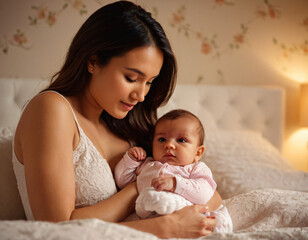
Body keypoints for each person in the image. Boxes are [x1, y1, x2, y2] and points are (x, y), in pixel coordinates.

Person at [12, 1, 222, 238]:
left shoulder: (129, 126)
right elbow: (57, 227)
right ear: (93, 61)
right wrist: (160, 217)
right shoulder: (51, 109)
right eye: (132, 78)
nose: (141, 95)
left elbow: (212, 198)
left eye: (149, 82)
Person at [115, 109, 233, 233]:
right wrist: (130, 160)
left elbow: (205, 193)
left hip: (189, 223)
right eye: (162, 139)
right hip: (152, 225)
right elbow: (122, 181)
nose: (169, 145)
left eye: (181, 140)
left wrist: (175, 184)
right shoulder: (147, 165)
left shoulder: (195, 169)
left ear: (198, 153)